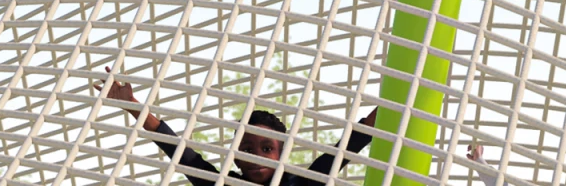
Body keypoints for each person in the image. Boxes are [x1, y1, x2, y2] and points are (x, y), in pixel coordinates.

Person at [98, 73, 378, 186]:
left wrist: (384, 115)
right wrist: (134, 107)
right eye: (246, 149)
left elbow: (344, 150)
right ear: (235, 156)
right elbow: (181, 154)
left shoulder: (301, 183)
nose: (256, 156)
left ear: (281, 153)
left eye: (266, 148)